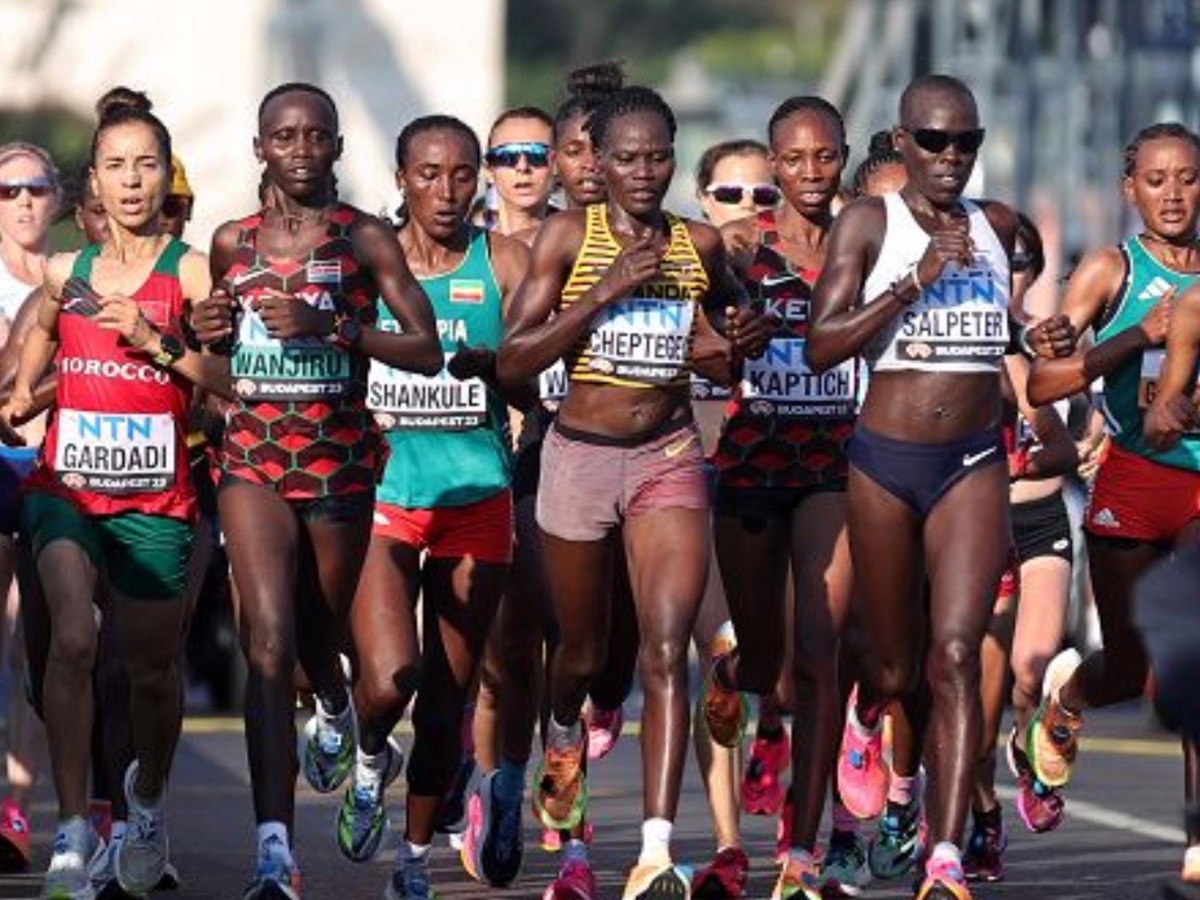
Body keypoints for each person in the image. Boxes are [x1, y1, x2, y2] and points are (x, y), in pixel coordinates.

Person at [496, 84, 771, 900]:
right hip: (578, 459)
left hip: (668, 455)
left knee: (666, 644)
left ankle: (655, 850)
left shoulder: (699, 244)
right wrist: (608, 288)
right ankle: (560, 732)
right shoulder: (565, 238)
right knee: (581, 653)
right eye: (627, 158)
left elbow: (728, 340)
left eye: (658, 156)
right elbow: (514, 363)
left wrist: (736, 344)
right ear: (599, 163)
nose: (644, 171)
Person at [807, 74, 1072, 900]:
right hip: (886, 464)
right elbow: (822, 344)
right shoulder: (867, 222)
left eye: (966, 142)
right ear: (902, 140)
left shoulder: (996, 228)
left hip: (969, 464)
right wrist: (913, 280)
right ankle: (878, 730)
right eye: (933, 141)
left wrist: (1042, 334)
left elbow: (1009, 336)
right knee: (893, 666)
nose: (951, 157)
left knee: (956, 653)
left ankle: (946, 855)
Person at [189, 82, 441, 899]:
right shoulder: (232, 241)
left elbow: (426, 349)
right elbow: (217, 355)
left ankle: (334, 702)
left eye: (316, 136)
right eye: (284, 137)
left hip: (337, 462)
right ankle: (274, 852)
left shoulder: (363, 238)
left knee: (317, 630)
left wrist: (334, 327)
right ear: (259, 148)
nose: (301, 149)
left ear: (336, 147)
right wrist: (208, 333)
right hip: (253, 457)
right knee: (266, 637)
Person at [0, 87, 231, 900]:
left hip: (156, 502)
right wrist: (26, 388)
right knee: (68, 640)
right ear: (91, 183)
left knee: (152, 673)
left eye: (145, 165)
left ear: (166, 175)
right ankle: (69, 831)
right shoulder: (69, 270)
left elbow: (228, 383)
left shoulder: (194, 270)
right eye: (114, 167)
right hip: (67, 490)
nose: (130, 181)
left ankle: (147, 800)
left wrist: (155, 342)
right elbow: (37, 326)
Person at [331, 113, 528, 900]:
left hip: (478, 498)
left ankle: (412, 863)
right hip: (384, 497)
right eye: (428, 174)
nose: (446, 192)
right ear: (400, 177)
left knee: (449, 697)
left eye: (461, 174)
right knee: (389, 680)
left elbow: (534, 377)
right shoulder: (359, 261)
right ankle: (370, 755)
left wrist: (497, 370)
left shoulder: (502, 260)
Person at [1027, 120, 1200, 890]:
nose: (1173, 193)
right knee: (1131, 669)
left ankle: (1197, 841)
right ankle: (1068, 693)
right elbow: (1045, 384)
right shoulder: (1110, 270)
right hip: (1133, 477)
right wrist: (1137, 340)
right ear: (1130, 190)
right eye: (1156, 179)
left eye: (1188, 178)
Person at [701, 97, 861, 900]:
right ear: (772, 163)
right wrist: (729, 347)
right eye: (791, 160)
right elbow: (693, 352)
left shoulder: (865, 243)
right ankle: (732, 672)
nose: (808, 173)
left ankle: (801, 851)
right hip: (750, 465)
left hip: (835, 464)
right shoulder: (737, 252)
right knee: (769, 664)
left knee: (820, 655)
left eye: (823, 157)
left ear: (842, 156)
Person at [962, 214, 1079, 883]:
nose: (1011, 269)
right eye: (999, 257)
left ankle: (1033, 755)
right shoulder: (955, 333)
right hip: (973, 530)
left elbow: (1060, 442)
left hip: (1036, 527)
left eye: (1022, 259)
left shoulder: (1042, 338)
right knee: (974, 697)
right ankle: (982, 816)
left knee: (1033, 671)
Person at [687, 136, 781, 900]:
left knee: (787, 659)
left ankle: (780, 742)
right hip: (693, 491)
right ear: (702, 202)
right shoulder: (675, 276)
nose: (749, 211)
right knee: (722, 655)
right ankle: (727, 844)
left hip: (789, 489)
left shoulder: (807, 277)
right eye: (731, 196)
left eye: (764, 197)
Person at [0, 140, 60, 874]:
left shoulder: (75, 276)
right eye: (5, 189)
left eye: (34, 188)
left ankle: (15, 805)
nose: (20, 201)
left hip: (55, 471)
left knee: (37, 646)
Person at [479, 107, 556, 235]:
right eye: (507, 156)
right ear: (488, 170)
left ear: (556, 165)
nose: (523, 167)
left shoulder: (582, 244)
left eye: (537, 155)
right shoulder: (467, 250)